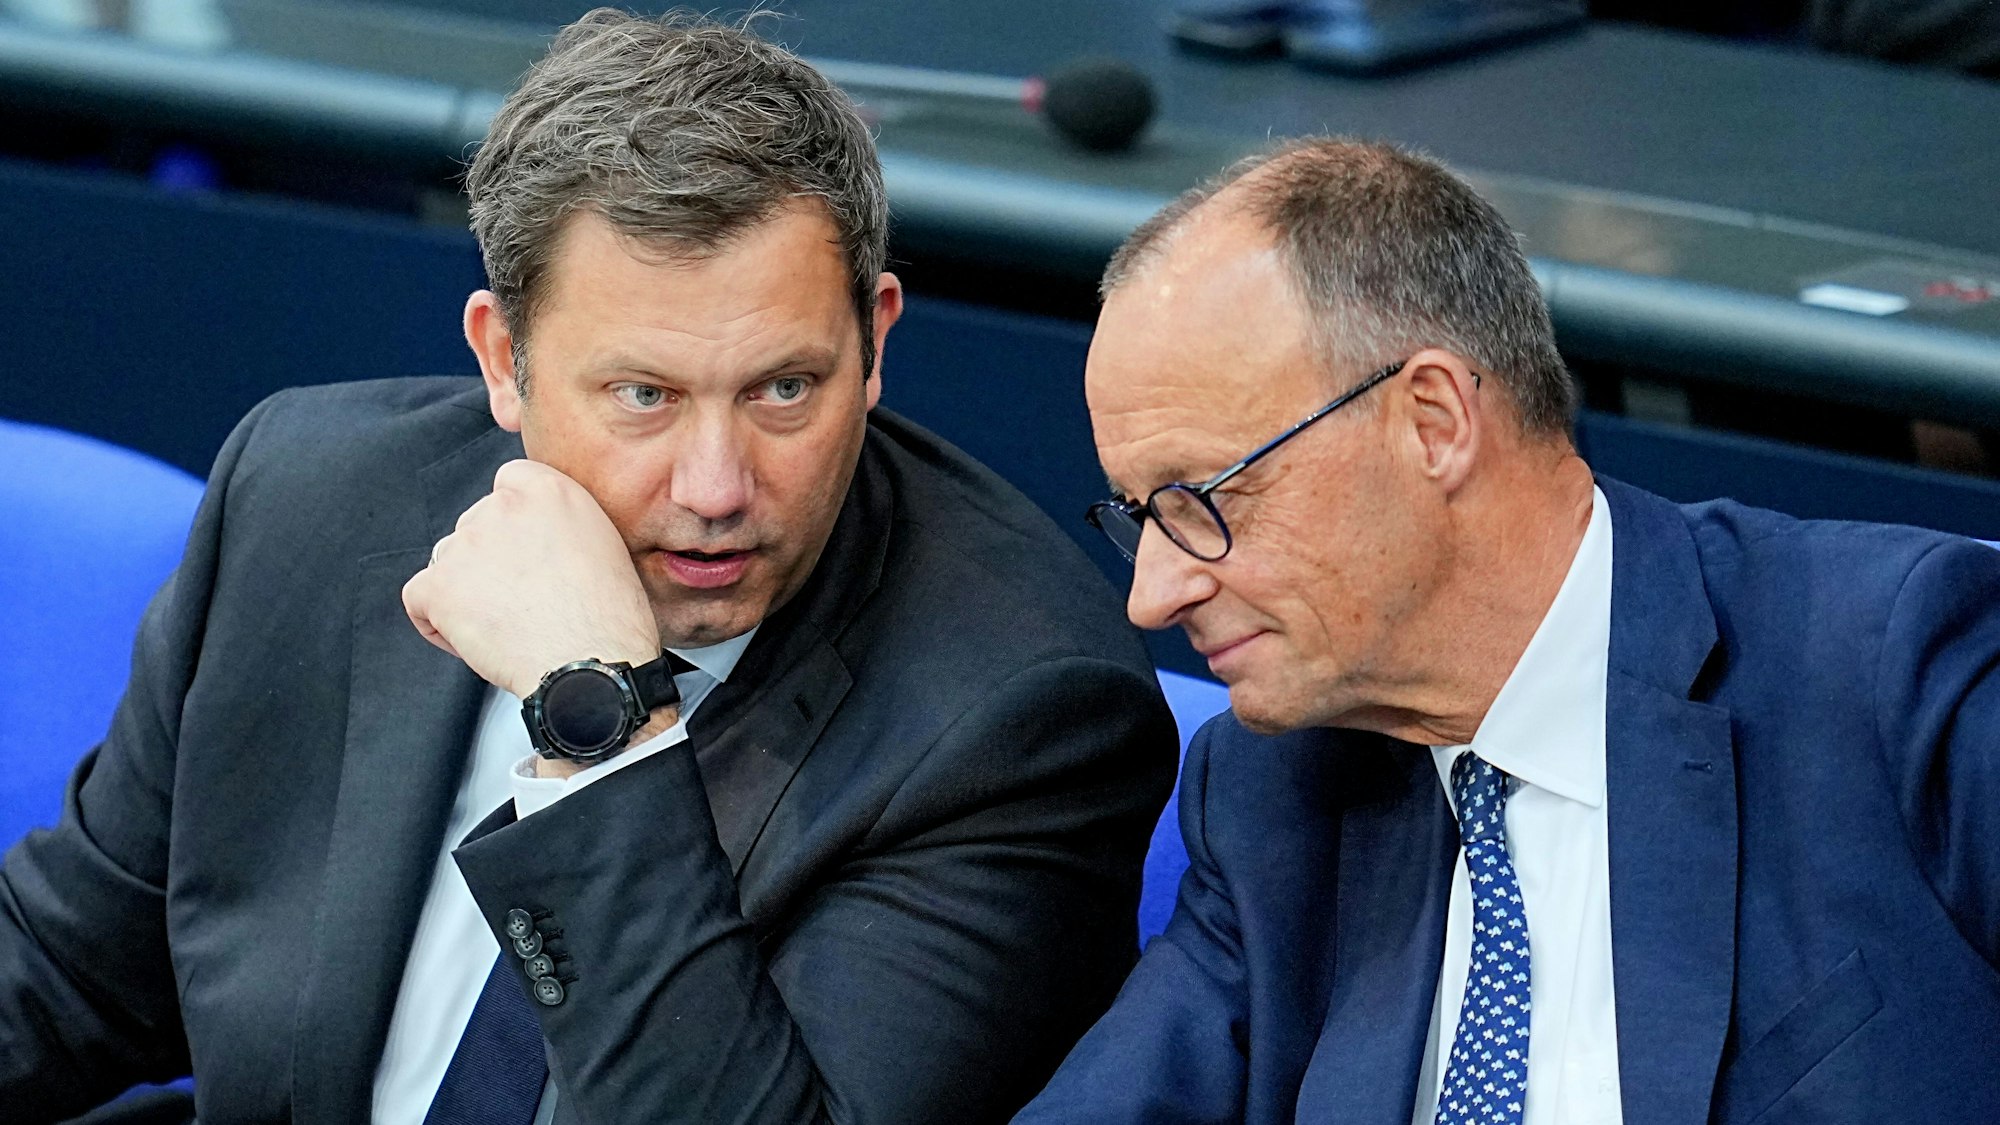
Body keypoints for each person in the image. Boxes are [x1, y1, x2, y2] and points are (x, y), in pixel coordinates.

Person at [0, 11, 1177, 1124]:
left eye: (783, 388)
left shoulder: (1018, 721)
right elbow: (70, 970)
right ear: (501, 359)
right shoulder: (315, 498)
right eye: (642, 395)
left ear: (874, 341)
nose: (715, 488)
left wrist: (598, 728)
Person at [1016, 137, 2000, 1124]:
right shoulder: (1270, 793)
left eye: (1200, 500)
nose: (1152, 596)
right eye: (1139, 517)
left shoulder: (1892, 668)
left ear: (1433, 422)